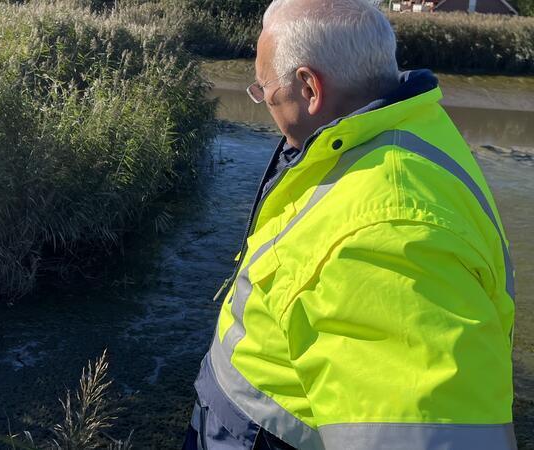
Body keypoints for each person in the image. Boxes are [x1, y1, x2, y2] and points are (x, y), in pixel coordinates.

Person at [182, 0, 517, 448]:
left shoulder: (389, 236)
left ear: (309, 88)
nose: (263, 103)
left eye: (263, 90)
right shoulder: (392, 131)